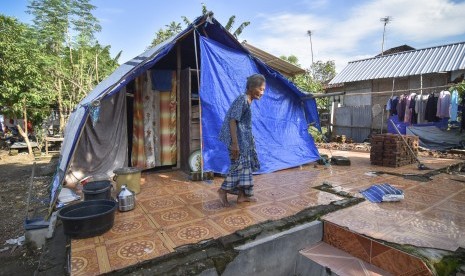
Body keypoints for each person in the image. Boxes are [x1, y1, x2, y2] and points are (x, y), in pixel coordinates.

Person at [218, 74, 265, 206]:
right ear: (251, 87)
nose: (262, 93)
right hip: (237, 141)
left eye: (263, 90)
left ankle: (242, 196)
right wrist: (235, 144)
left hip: (243, 140)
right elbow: (233, 120)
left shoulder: (249, 101)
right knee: (238, 167)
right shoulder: (242, 99)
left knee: (246, 167)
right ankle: (222, 190)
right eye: (260, 89)